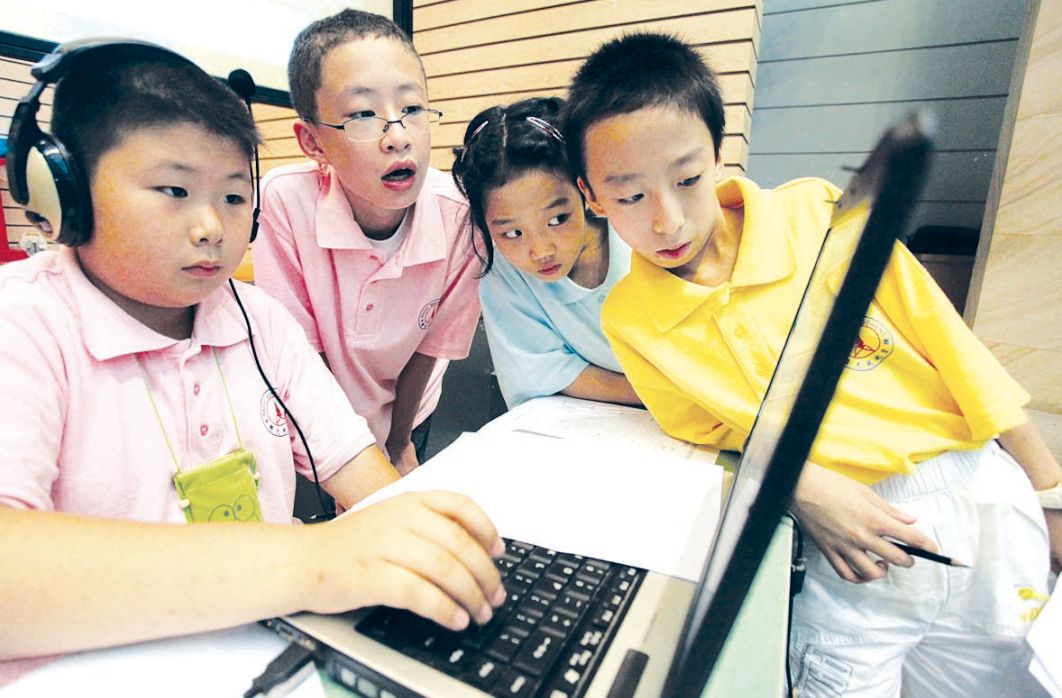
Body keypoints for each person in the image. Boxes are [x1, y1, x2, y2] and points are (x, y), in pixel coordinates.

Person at [563, 32, 1061, 696]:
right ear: (591, 196)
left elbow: (952, 344)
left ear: (718, 155)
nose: (667, 221)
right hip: (848, 537)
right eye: (630, 197)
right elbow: (708, 427)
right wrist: (799, 483)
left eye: (687, 180)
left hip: (978, 491)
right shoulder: (631, 318)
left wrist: (1049, 491)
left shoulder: (819, 213)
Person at [0, 41, 505, 682]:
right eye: (175, 190)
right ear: (62, 193)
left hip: (265, 658)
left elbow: (357, 468)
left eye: (235, 197)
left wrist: (431, 543)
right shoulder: (22, 324)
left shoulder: (259, 321)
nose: (212, 226)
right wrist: (310, 560)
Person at [252, 9, 481, 473]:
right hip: (319, 413)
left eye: (411, 109)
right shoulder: (286, 201)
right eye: (361, 114)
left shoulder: (459, 214)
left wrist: (398, 442)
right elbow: (299, 355)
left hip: (409, 410)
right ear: (312, 142)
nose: (397, 137)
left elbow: (430, 347)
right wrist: (349, 454)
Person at [450, 97, 640, 408]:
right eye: (512, 233)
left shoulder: (637, 234)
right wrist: (659, 398)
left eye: (557, 219)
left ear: (584, 189)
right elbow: (542, 371)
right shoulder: (504, 275)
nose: (540, 251)